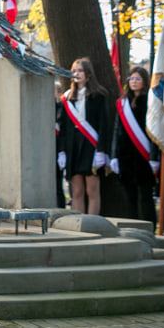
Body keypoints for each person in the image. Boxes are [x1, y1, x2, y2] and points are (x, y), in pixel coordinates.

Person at [57, 57, 109, 215]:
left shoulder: (98, 96)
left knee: (92, 191)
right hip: (73, 149)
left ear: (88, 74)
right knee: (77, 192)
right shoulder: (67, 98)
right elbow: (63, 128)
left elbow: (104, 126)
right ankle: (80, 227)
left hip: (91, 148)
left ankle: (92, 226)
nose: (77, 74)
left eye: (80, 71)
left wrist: (101, 151)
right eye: (74, 71)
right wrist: (62, 151)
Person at [109, 67, 158, 224]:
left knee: (145, 195)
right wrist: (114, 156)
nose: (134, 82)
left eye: (137, 79)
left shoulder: (151, 101)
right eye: (131, 79)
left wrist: (154, 156)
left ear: (144, 81)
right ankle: (133, 226)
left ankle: (149, 227)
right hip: (126, 155)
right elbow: (117, 130)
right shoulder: (123, 103)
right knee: (129, 195)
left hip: (143, 154)